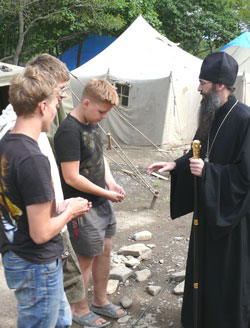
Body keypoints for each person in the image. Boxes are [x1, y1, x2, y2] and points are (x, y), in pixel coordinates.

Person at [147, 52, 250, 328]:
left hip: (231, 217)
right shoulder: (211, 112)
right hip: (207, 210)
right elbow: (198, 151)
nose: (198, 88)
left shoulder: (245, 119)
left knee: (226, 273)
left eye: (203, 82)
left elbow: (246, 175)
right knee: (203, 268)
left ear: (219, 85)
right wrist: (174, 164)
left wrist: (210, 173)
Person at [0, 67, 90, 328]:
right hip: (35, 262)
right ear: (42, 106)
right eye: (54, 103)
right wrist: (70, 212)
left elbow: (17, 203)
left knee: (61, 319)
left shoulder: (6, 144)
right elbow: (40, 234)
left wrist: (61, 205)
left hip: (17, 253)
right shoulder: (32, 158)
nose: (56, 110)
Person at [54, 78, 127, 327]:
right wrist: (106, 194)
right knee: (84, 259)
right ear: (86, 102)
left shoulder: (92, 124)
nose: (104, 116)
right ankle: (79, 309)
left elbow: (99, 158)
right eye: (102, 111)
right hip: (81, 207)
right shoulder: (68, 131)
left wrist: (111, 183)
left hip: (101, 202)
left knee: (104, 251)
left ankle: (100, 300)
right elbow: (71, 177)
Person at [26, 53, 87, 318]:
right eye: (61, 90)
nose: (64, 97)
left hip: (52, 222)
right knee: (44, 314)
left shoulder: (37, 130)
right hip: (40, 240)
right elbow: (36, 226)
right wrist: (67, 212)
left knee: (59, 314)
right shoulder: (21, 140)